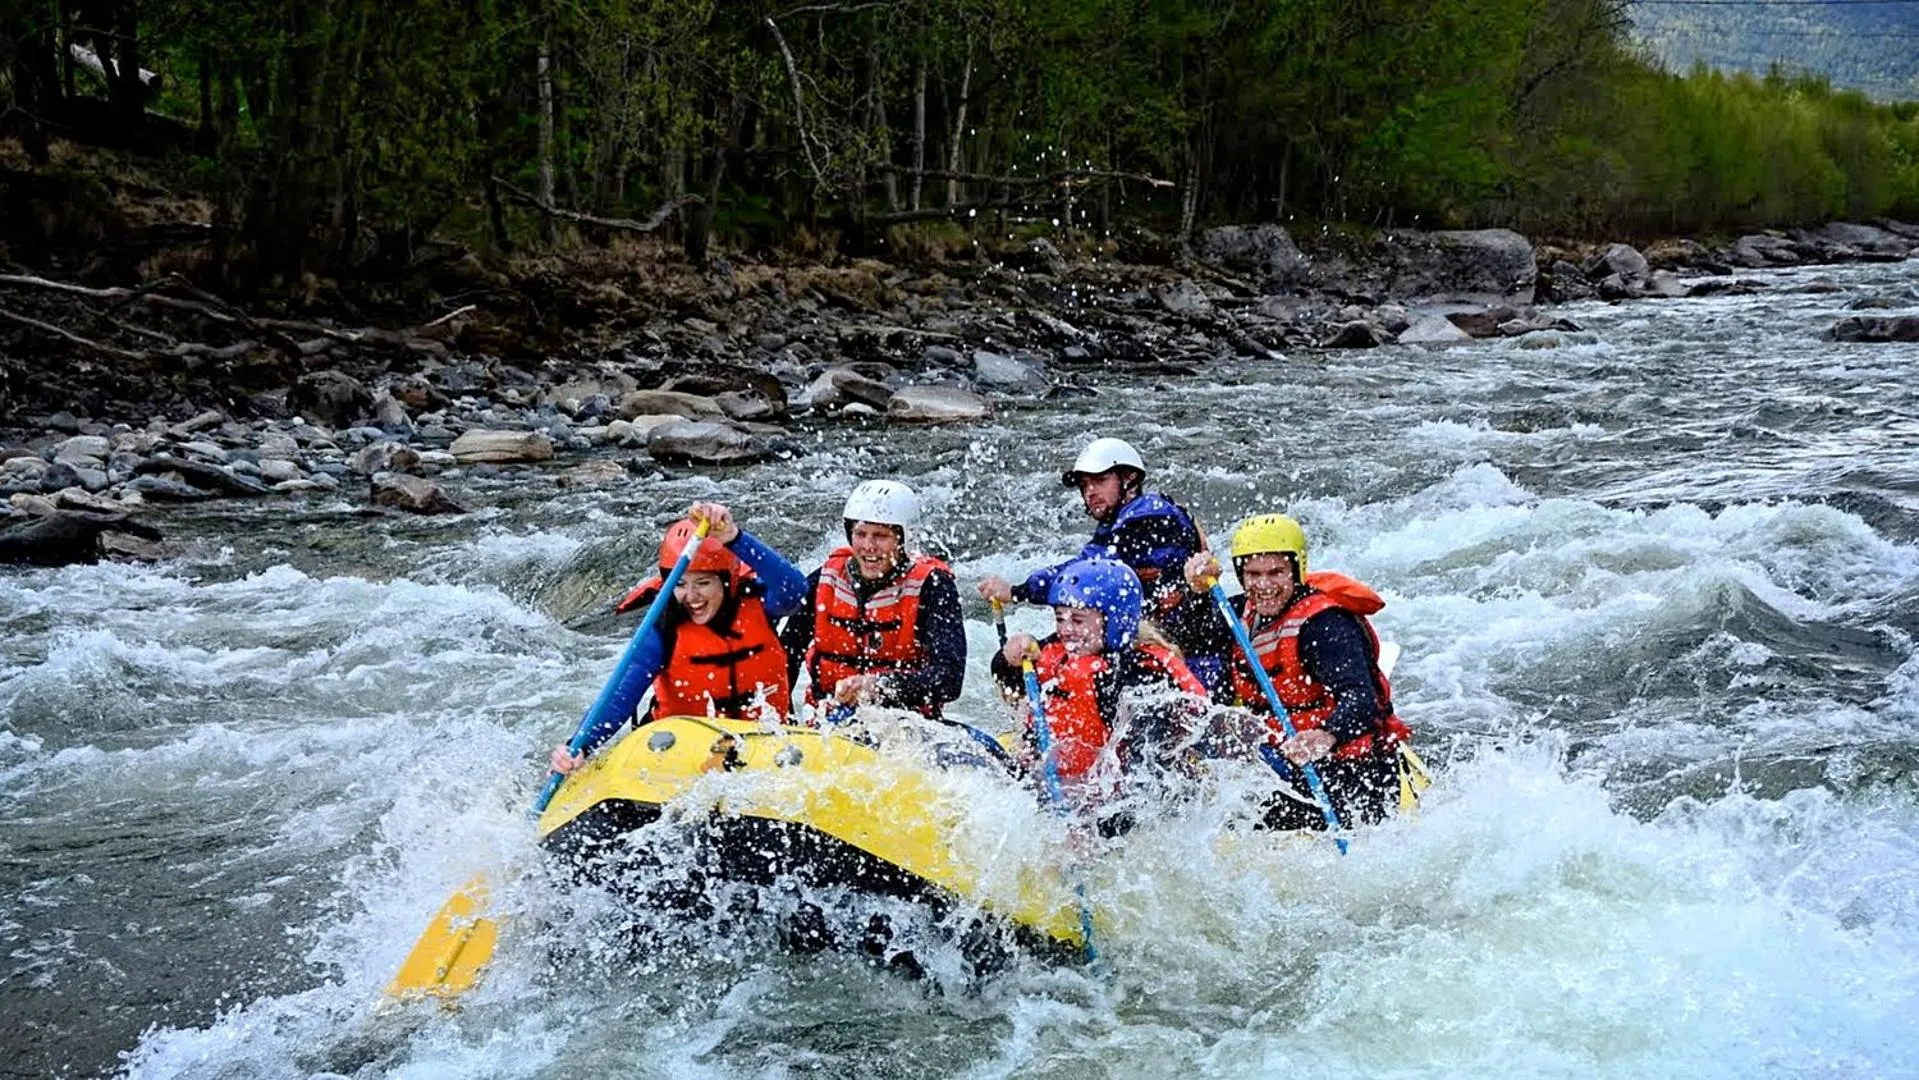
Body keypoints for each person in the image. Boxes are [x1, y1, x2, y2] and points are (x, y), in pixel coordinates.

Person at [1182, 513, 1414, 830]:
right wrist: (1197, 592)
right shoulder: (1241, 611)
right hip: (1286, 755)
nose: (1263, 585)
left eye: (1276, 572)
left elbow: (1363, 699)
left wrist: (1326, 734)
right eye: (1253, 574)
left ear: (1297, 570)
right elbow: (1191, 637)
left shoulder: (1326, 627)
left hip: (1351, 767)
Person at [550, 502, 806, 774]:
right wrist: (579, 747)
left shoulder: (761, 605)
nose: (691, 597)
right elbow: (619, 699)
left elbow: (796, 589)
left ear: (728, 581)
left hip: (765, 745)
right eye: (680, 584)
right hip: (683, 751)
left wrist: (734, 538)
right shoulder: (663, 627)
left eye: (703, 583)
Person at [977, 437, 1225, 692]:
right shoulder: (1118, 522)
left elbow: (1085, 575)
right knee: (1018, 663)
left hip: (1191, 656)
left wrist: (1019, 591)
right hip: (1144, 635)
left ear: (1128, 479)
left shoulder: (1150, 517)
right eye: (1085, 485)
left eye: (1100, 481)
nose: (1090, 492)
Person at [990, 556, 1208, 816]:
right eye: (1060, 618)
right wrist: (1008, 657)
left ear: (1114, 620)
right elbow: (1009, 682)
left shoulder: (1142, 672)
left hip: (1127, 802)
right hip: (1066, 786)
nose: (1066, 629)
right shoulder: (1061, 651)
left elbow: (1146, 770)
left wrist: (1093, 822)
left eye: (1078, 620)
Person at [779, 479, 966, 719]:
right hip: (827, 723)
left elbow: (949, 679)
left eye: (880, 536)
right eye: (860, 534)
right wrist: (784, 722)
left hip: (907, 725)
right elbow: (783, 660)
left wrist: (880, 686)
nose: (868, 546)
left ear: (903, 539)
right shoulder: (825, 580)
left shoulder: (933, 587)